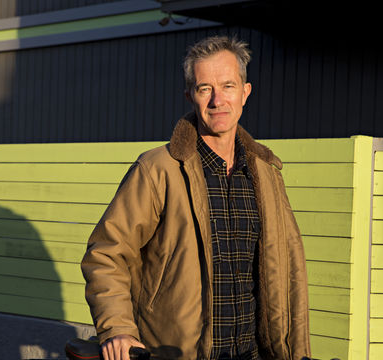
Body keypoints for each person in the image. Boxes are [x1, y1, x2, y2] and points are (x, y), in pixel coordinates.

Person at [81, 36, 310, 360]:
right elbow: (107, 253)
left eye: (228, 86)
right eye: (205, 88)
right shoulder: (158, 169)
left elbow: (289, 275)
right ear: (190, 95)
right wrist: (118, 328)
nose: (218, 100)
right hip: (176, 352)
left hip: (255, 353)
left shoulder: (267, 174)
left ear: (245, 92)